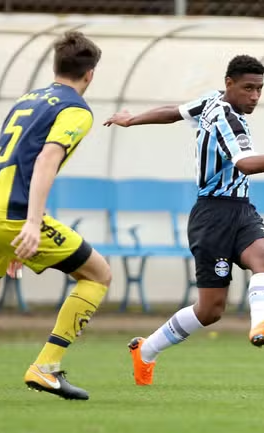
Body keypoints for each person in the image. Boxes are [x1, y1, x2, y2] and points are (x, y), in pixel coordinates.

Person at [104, 54, 264, 386]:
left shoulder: (211, 100)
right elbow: (246, 164)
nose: (255, 96)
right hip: (211, 215)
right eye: (248, 88)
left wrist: (133, 119)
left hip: (241, 208)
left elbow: (175, 111)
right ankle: (146, 350)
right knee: (210, 310)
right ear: (229, 83)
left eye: (259, 89)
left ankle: (261, 323)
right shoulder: (228, 119)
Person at [0, 31, 111, 400]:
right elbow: (47, 158)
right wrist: (32, 223)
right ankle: (45, 367)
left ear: (55, 66)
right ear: (90, 74)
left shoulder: (27, 100)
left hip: (4, 212)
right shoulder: (75, 109)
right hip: (15, 215)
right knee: (97, 274)